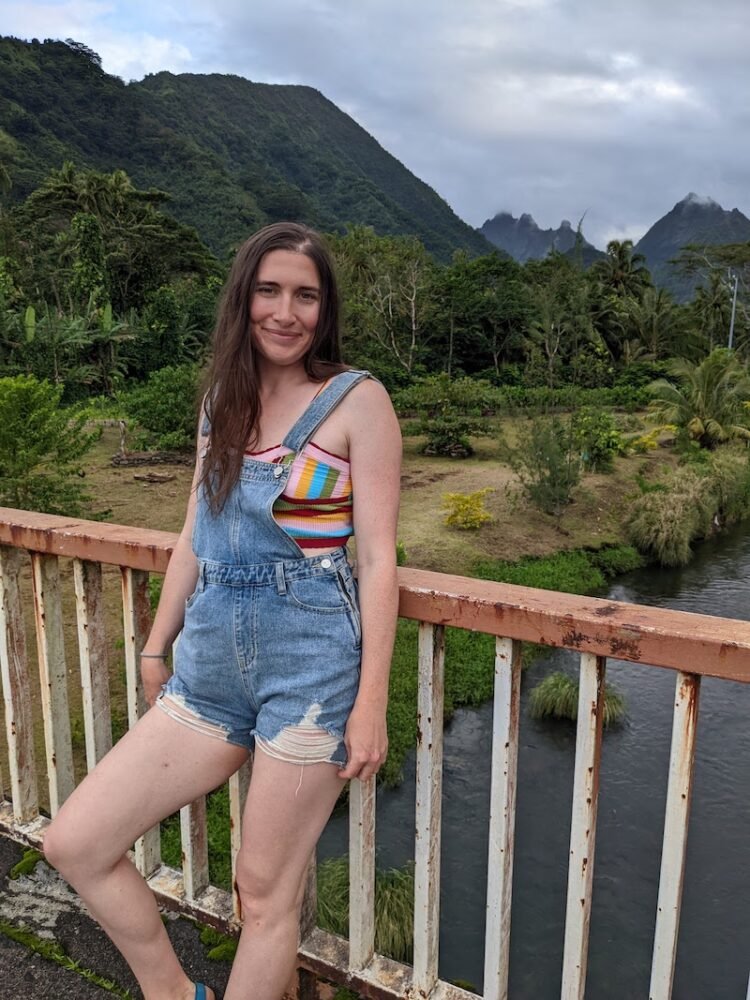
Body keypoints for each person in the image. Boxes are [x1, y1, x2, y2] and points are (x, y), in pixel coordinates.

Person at [43, 222, 402, 1000]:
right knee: (76, 841)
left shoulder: (356, 401)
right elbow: (194, 535)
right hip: (207, 665)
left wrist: (370, 702)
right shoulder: (221, 404)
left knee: (264, 896)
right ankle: (178, 994)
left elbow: (377, 558)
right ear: (242, 302)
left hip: (310, 673)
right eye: (268, 291)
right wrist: (153, 645)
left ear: (324, 308)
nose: (286, 311)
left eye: (305, 295)